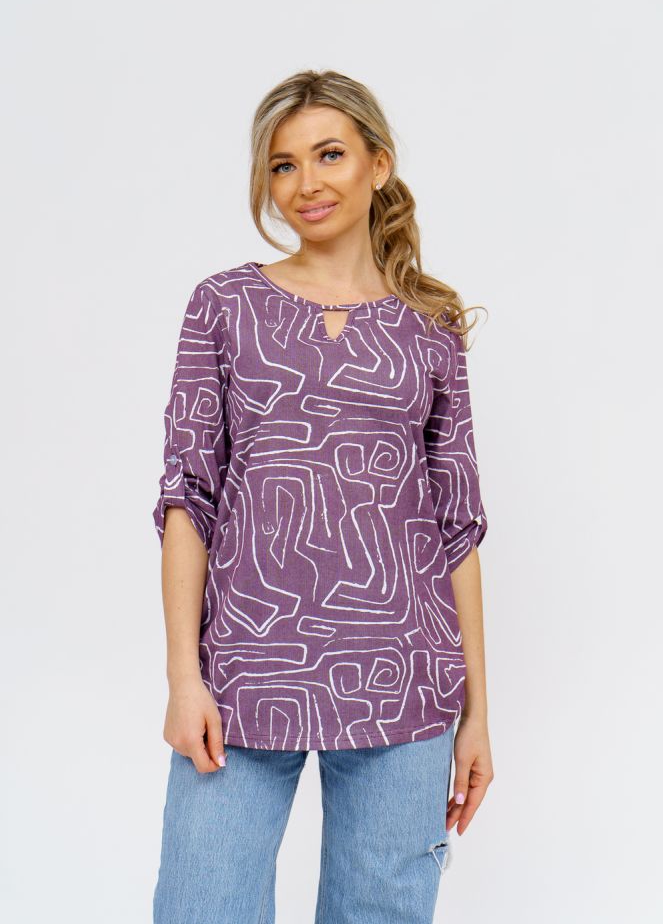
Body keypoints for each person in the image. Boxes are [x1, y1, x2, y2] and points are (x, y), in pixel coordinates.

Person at [151, 69, 493, 924]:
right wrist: (183, 678)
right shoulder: (224, 305)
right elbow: (188, 498)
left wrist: (476, 714)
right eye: (282, 164)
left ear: (378, 164)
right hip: (242, 676)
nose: (305, 182)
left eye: (328, 154)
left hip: (407, 678)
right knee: (200, 907)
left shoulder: (431, 325)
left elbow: (456, 528)